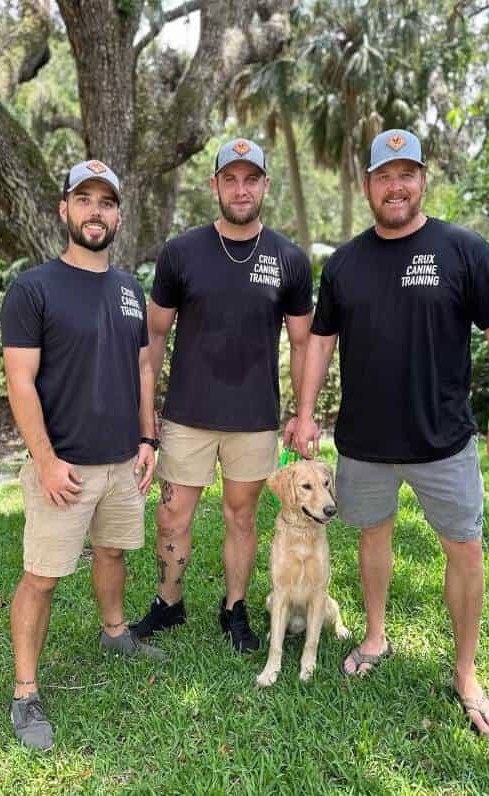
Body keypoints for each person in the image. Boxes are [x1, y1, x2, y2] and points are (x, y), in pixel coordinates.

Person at [292, 129, 489, 736]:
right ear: (367, 185)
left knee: (464, 549)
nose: (395, 186)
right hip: (364, 442)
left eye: (406, 174)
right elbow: (320, 341)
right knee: (372, 536)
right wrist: (306, 411)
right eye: (383, 176)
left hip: (442, 439)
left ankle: (466, 672)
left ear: (423, 180)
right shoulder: (344, 263)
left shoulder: (464, 249)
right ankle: (374, 637)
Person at [0, 159, 164, 751]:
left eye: (107, 201)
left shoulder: (128, 289)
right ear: (64, 210)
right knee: (42, 579)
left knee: (114, 551)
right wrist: (43, 460)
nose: (96, 211)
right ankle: (25, 693)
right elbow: (21, 381)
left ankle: (114, 631)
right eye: (85, 199)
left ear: (119, 214)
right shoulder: (33, 288)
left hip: (123, 462)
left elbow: (143, 368)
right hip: (62, 466)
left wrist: (148, 440)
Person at [130, 138, 313, 653]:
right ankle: (169, 601)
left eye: (250, 179)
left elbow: (302, 343)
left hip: (254, 417)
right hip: (189, 414)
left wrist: (303, 414)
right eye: (229, 179)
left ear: (265, 186)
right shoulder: (181, 252)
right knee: (172, 515)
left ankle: (234, 607)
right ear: (214, 185)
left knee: (241, 516)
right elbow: (154, 336)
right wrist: (147, 413)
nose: (240, 189)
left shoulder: (289, 259)